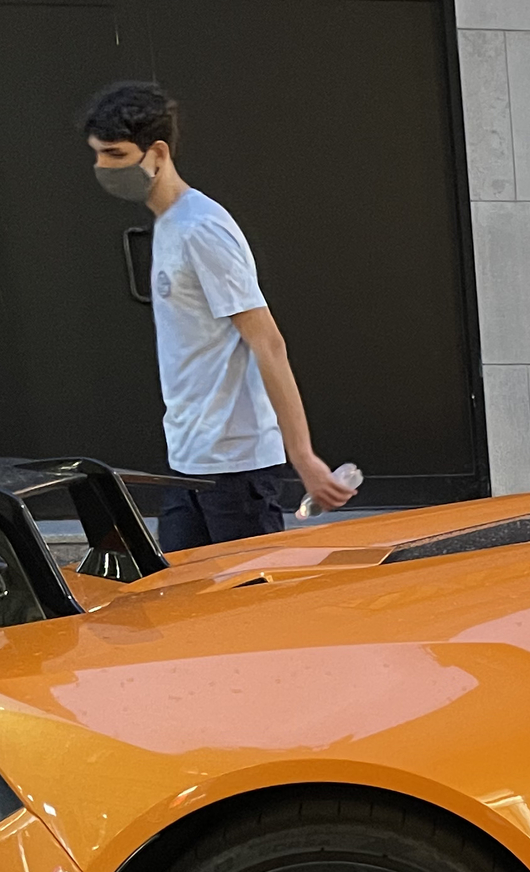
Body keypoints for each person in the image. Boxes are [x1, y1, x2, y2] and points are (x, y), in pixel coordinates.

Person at [80, 82, 355, 550]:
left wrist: (303, 457)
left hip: (235, 464)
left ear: (157, 153)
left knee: (248, 612)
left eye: (116, 153)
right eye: (97, 154)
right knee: (182, 605)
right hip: (191, 457)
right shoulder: (168, 225)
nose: (104, 167)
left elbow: (267, 342)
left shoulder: (202, 228)